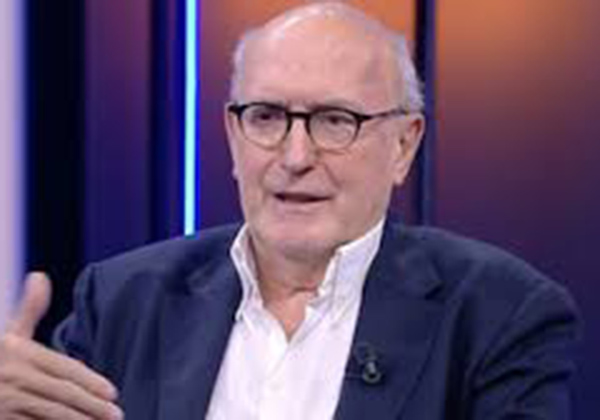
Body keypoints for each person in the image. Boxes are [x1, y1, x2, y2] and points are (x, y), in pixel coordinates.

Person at [0, 2, 581, 419]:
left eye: (335, 121)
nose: (296, 156)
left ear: (404, 145)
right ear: (233, 134)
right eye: (267, 117)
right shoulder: (121, 301)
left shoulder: (500, 315)